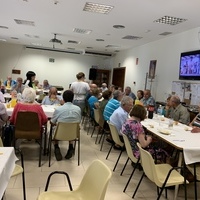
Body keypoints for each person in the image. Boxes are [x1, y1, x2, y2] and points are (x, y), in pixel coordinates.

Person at [50, 90, 81, 161]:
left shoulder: (58, 109)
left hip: (59, 134)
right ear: (72, 98)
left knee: (54, 128)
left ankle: (56, 147)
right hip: (73, 134)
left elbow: (52, 122)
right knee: (71, 126)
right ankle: (70, 147)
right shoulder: (78, 109)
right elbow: (79, 121)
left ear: (63, 99)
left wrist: (54, 123)